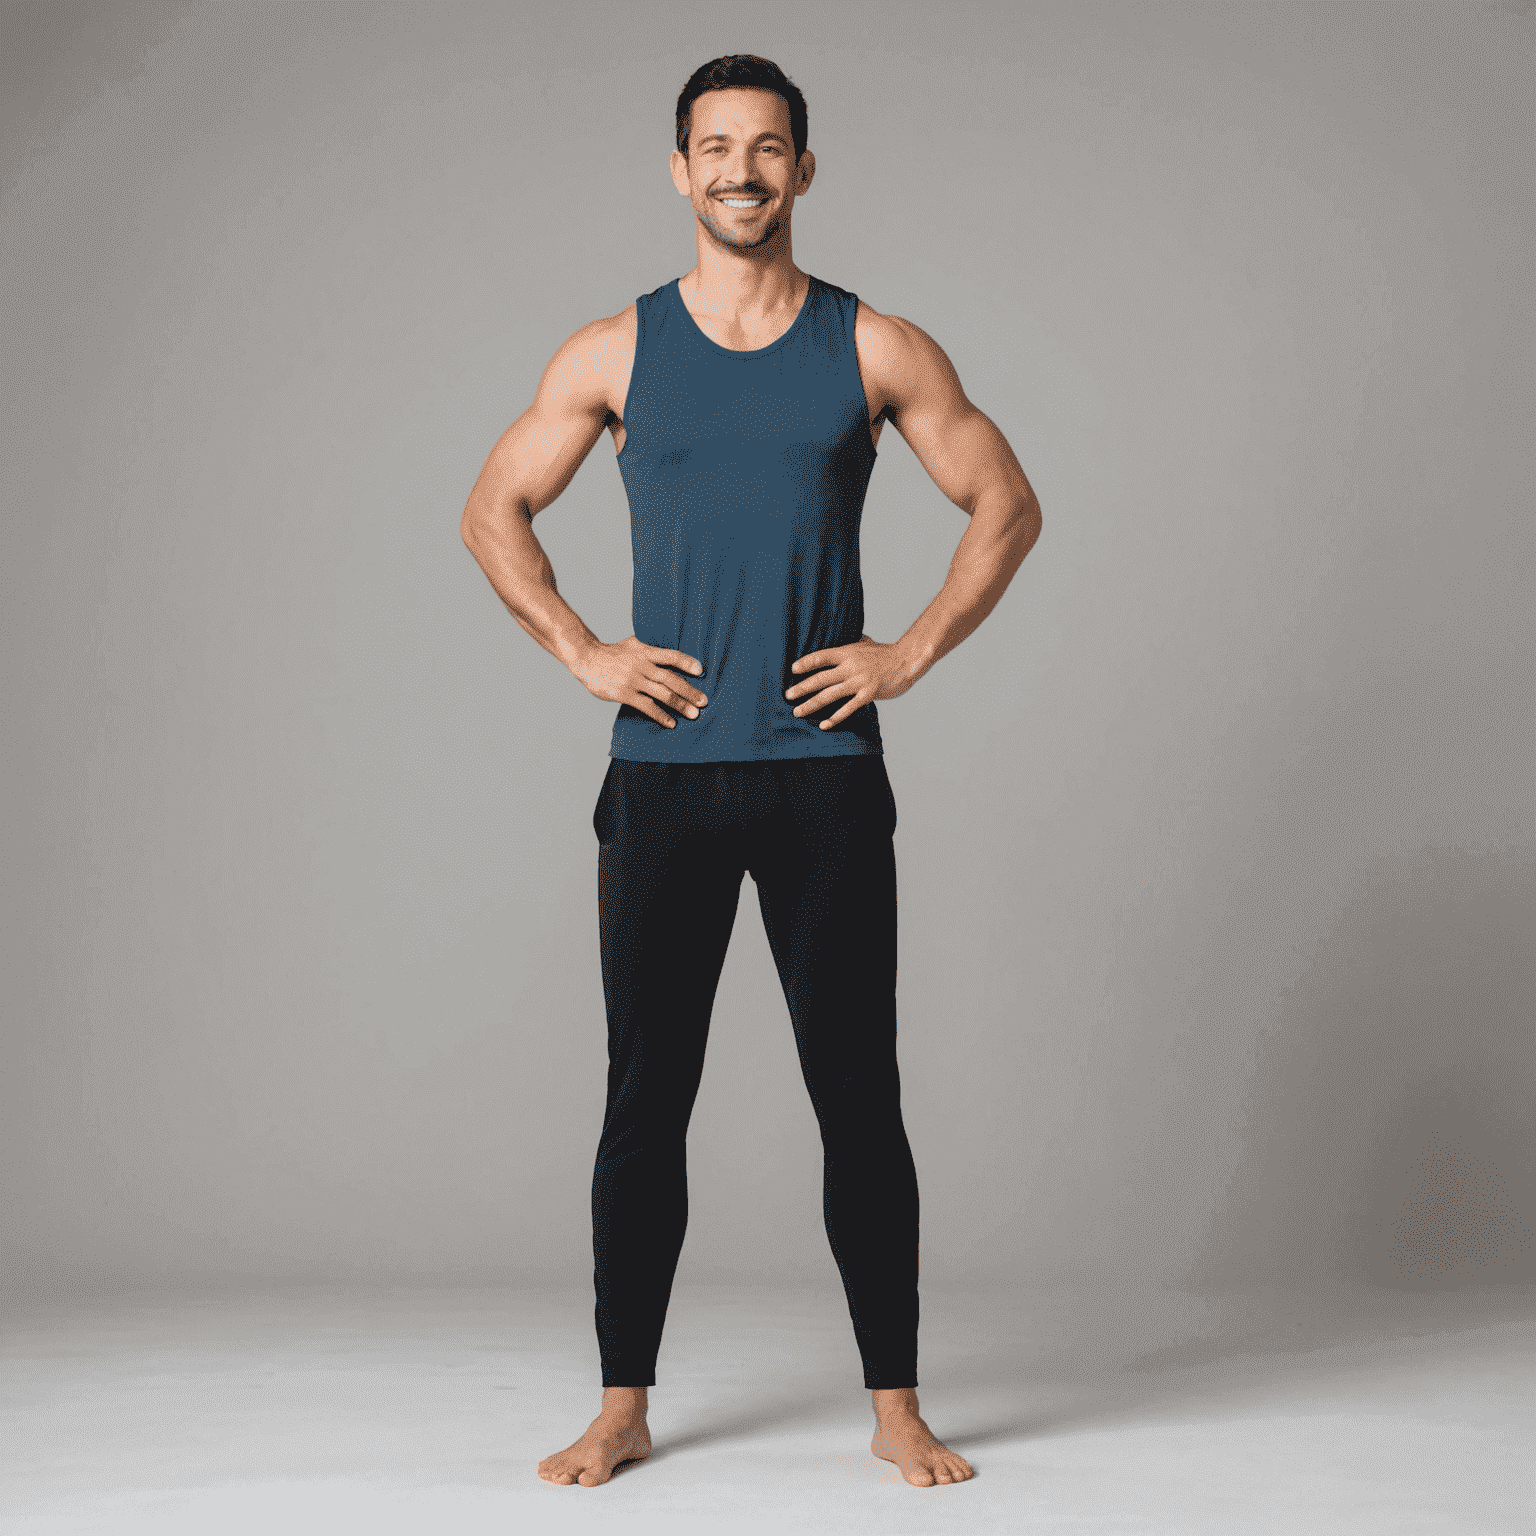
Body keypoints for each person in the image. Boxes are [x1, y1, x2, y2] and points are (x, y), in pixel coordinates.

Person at [461, 53, 1041, 1490]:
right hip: (662, 780)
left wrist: (904, 653)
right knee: (645, 1096)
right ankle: (622, 1403)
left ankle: (897, 1404)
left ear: (804, 171)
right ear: (680, 171)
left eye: (767, 147)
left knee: (857, 1091)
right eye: (715, 147)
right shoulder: (610, 352)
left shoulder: (874, 347)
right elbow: (493, 509)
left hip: (821, 778)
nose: (741, 170)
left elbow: (1005, 503)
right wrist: (585, 649)